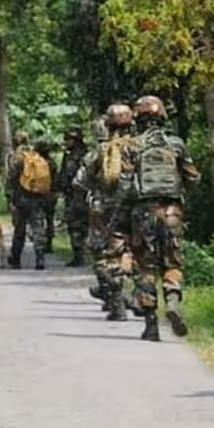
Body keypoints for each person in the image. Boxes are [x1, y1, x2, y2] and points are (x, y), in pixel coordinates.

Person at [126, 95, 201, 341]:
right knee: (172, 262)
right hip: (172, 213)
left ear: (138, 118)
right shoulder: (176, 144)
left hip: (142, 213)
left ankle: (150, 324)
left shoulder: (132, 145)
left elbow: (123, 184)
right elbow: (193, 178)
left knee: (145, 266)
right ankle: (172, 299)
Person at [75, 104, 137, 321]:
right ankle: (140, 297)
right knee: (136, 254)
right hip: (140, 210)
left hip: (106, 211)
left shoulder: (100, 151)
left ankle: (118, 302)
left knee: (103, 256)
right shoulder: (142, 147)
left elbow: (81, 182)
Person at [6, 131, 53, 270]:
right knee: (38, 228)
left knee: (19, 229)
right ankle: (40, 259)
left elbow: (11, 178)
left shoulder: (17, 158)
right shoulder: (36, 156)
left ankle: (15, 259)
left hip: (21, 198)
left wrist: (10, 196)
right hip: (37, 197)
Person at [59, 126, 90, 267]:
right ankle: (82, 254)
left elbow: (67, 176)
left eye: (68, 139)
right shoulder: (88, 154)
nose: (65, 142)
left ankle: (79, 256)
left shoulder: (73, 157)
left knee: (76, 226)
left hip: (76, 196)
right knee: (84, 226)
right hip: (85, 195)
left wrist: (62, 187)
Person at [35, 138, 59, 256]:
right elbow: (56, 179)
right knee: (50, 220)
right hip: (51, 194)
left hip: (38, 194)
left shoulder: (35, 162)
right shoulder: (52, 163)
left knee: (38, 220)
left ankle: (39, 244)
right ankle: (49, 244)